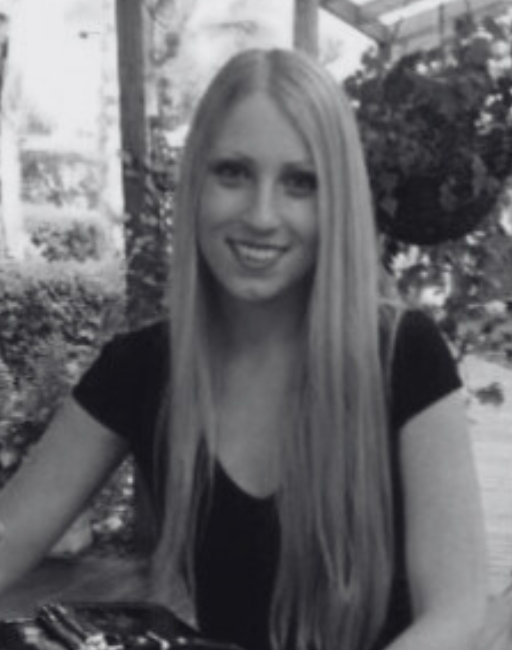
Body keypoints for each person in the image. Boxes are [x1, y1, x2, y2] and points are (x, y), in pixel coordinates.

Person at [0, 49, 487, 650]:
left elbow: (459, 612)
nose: (262, 215)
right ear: (196, 184)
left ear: (338, 202)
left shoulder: (404, 355)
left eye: (300, 183)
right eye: (233, 172)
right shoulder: (140, 368)